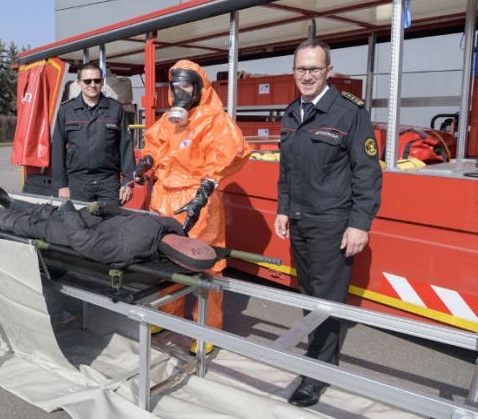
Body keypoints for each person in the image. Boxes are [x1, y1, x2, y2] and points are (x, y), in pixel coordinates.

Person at [274, 39, 382, 407]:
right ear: (293, 72)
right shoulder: (292, 113)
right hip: (301, 221)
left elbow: (367, 174)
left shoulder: (348, 113)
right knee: (309, 296)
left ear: (328, 71)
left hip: (333, 223)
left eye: (314, 69)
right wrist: (283, 209)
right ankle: (319, 357)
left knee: (326, 301)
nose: (307, 76)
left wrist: (360, 224)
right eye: (301, 69)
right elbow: (287, 170)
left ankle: (317, 375)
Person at [136, 59, 251, 354]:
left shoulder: (214, 119)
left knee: (204, 265)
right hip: (165, 197)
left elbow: (231, 152)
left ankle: (206, 329)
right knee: (168, 261)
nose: (180, 91)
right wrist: (145, 163)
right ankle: (168, 315)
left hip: (197, 199)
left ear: (199, 87)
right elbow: (155, 145)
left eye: (186, 85)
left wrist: (206, 186)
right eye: (176, 86)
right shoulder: (171, 120)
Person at [0, 181, 217, 270]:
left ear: (181, 258)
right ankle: (9, 201)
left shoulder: (128, 249)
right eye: (199, 246)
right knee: (45, 210)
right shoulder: (170, 225)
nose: (195, 245)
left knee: (23, 222)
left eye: (194, 252)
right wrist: (107, 209)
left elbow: (83, 242)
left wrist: (70, 211)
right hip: (90, 218)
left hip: (68, 231)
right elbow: (131, 217)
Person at [52, 62, 135, 206]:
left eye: (97, 80)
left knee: (110, 226)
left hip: (108, 183)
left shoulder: (115, 109)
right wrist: (61, 184)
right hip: (78, 183)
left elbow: (126, 147)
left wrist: (128, 182)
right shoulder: (66, 110)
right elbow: (58, 150)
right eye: (87, 81)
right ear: (78, 83)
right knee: (80, 225)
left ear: (102, 82)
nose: (92, 84)